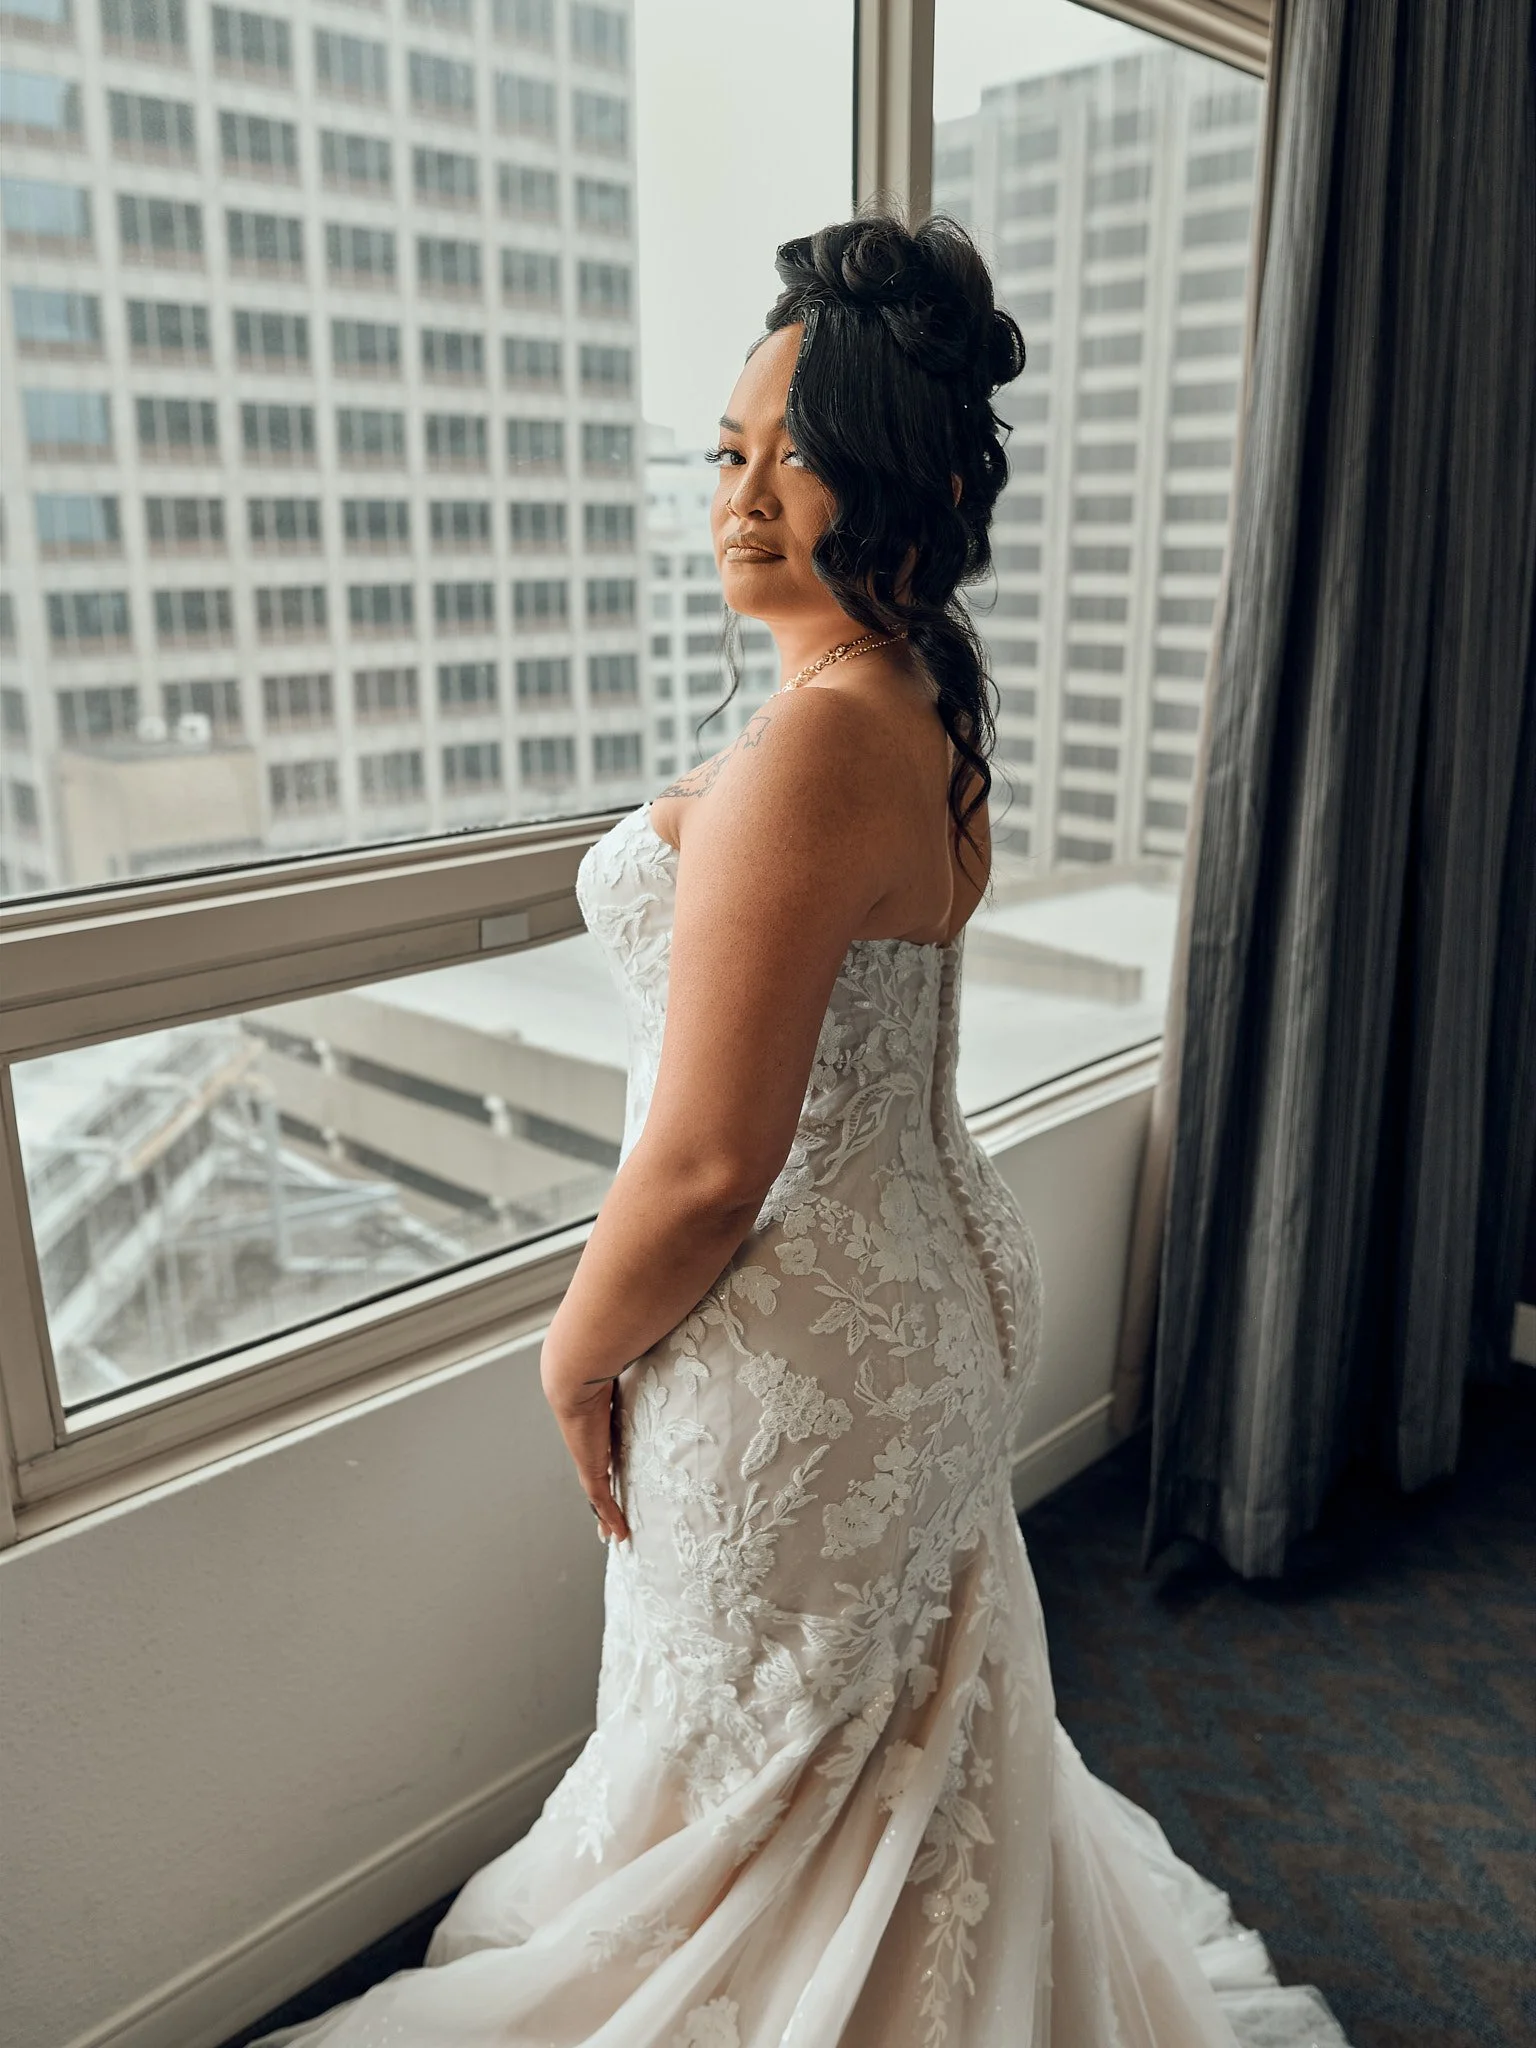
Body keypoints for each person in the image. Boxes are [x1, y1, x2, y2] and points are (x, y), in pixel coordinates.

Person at [248, 216, 1346, 2048]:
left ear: (898, 479)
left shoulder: (807, 753)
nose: (745, 494)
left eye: (798, 453)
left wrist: (568, 1357)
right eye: (730, 451)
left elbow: (703, 1171)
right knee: (876, 1748)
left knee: (770, 1769)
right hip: (905, 1300)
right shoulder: (919, 706)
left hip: (792, 1347)